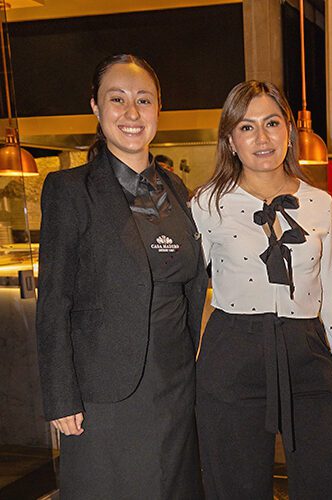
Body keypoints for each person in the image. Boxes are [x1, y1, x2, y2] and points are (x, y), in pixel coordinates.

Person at [35, 54, 207, 499]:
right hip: (104, 390)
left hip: (176, 381)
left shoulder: (176, 188)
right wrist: (61, 395)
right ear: (95, 106)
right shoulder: (69, 190)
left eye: (143, 100)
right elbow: (53, 300)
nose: (132, 112)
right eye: (117, 99)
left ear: (158, 109)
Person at [192, 80, 332, 499]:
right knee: (235, 487)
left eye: (272, 123)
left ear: (289, 131)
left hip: (307, 350)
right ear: (230, 140)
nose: (262, 138)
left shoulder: (319, 202)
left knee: (323, 482)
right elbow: (186, 290)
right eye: (246, 127)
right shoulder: (208, 203)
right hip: (233, 353)